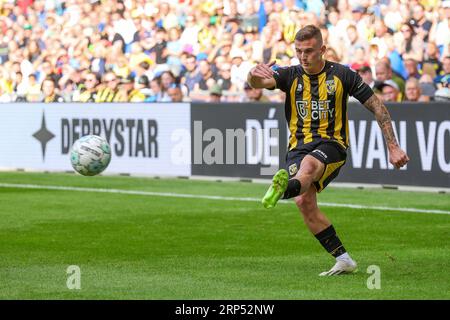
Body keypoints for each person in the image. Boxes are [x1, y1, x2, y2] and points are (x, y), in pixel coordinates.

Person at [247, 25, 409, 276]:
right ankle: (344, 259)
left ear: (322, 49)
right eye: (299, 51)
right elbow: (260, 82)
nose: (303, 56)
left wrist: (393, 145)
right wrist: (253, 75)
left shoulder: (344, 75)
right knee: (304, 200)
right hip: (297, 147)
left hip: (332, 145)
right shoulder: (289, 75)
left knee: (309, 167)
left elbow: (378, 107)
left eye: (309, 51)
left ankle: (282, 188)